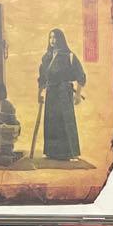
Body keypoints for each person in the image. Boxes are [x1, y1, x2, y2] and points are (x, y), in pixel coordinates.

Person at [38, 29, 87, 161]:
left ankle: (70, 153)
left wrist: (77, 95)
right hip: (51, 93)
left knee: (66, 121)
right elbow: (42, 78)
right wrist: (39, 93)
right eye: (50, 37)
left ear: (61, 39)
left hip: (64, 92)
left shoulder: (69, 56)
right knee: (51, 121)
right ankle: (52, 152)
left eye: (55, 37)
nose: (52, 40)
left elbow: (81, 76)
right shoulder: (46, 57)